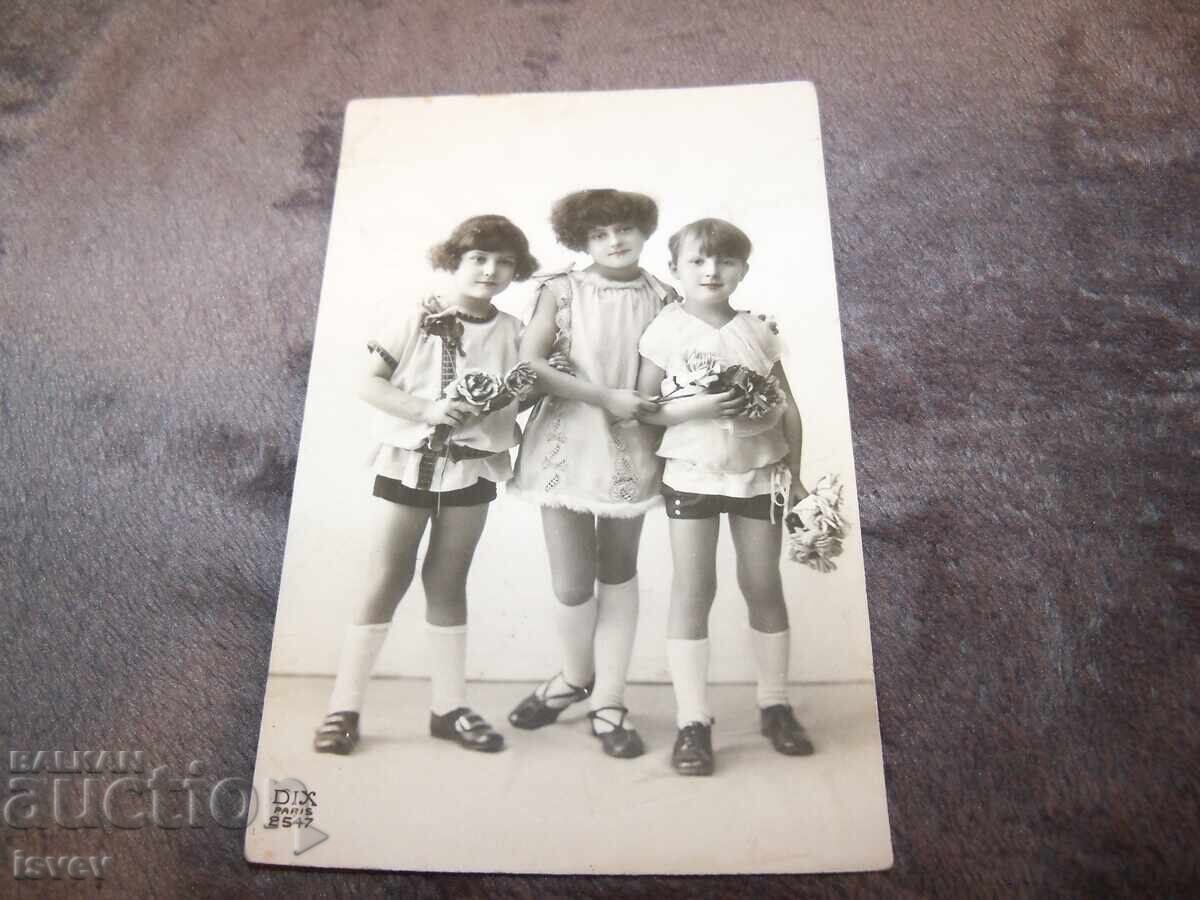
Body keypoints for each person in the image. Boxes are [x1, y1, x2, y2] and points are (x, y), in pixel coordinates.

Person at [313, 214, 538, 756]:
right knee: (387, 575)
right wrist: (429, 408)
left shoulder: (512, 331)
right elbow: (368, 382)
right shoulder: (417, 313)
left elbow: (518, 394)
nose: (490, 270)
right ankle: (343, 706)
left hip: (474, 467)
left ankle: (449, 708)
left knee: (448, 579)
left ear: (517, 270)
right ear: (453, 261)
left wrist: (509, 400)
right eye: (478, 258)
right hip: (410, 461)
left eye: (503, 261)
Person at [636, 217, 815, 776]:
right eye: (698, 261)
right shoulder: (665, 329)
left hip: (758, 474)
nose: (712, 270)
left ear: (743, 269)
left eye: (726, 261)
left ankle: (774, 703)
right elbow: (645, 408)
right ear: (675, 270)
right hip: (691, 473)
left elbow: (787, 407)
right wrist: (701, 408)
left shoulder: (757, 330)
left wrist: (798, 475)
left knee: (763, 582)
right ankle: (693, 719)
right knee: (695, 586)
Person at [505, 189, 677, 758]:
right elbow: (530, 362)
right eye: (600, 233)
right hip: (566, 439)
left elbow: (668, 370)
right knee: (571, 582)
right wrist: (605, 395)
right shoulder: (560, 289)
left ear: (644, 232)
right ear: (583, 240)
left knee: (618, 569)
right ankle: (572, 677)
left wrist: (647, 405)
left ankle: (609, 698)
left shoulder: (664, 296)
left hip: (631, 442)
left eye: (624, 229)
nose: (614, 241)